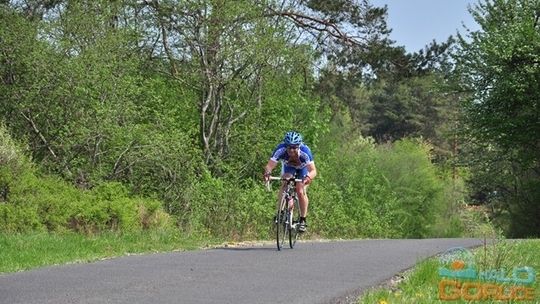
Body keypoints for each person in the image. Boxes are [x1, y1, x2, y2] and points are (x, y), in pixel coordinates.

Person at [263, 131, 317, 233]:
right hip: (289, 167)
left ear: (299, 146)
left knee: (300, 191)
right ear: (285, 146)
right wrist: (267, 174)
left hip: (302, 169)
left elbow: (313, 171)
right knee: (285, 182)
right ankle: (281, 212)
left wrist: (308, 178)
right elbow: (269, 166)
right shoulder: (280, 149)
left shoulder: (305, 152)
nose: (291, 150)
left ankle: (302, 220)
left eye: (294, 147)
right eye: (289, 147)